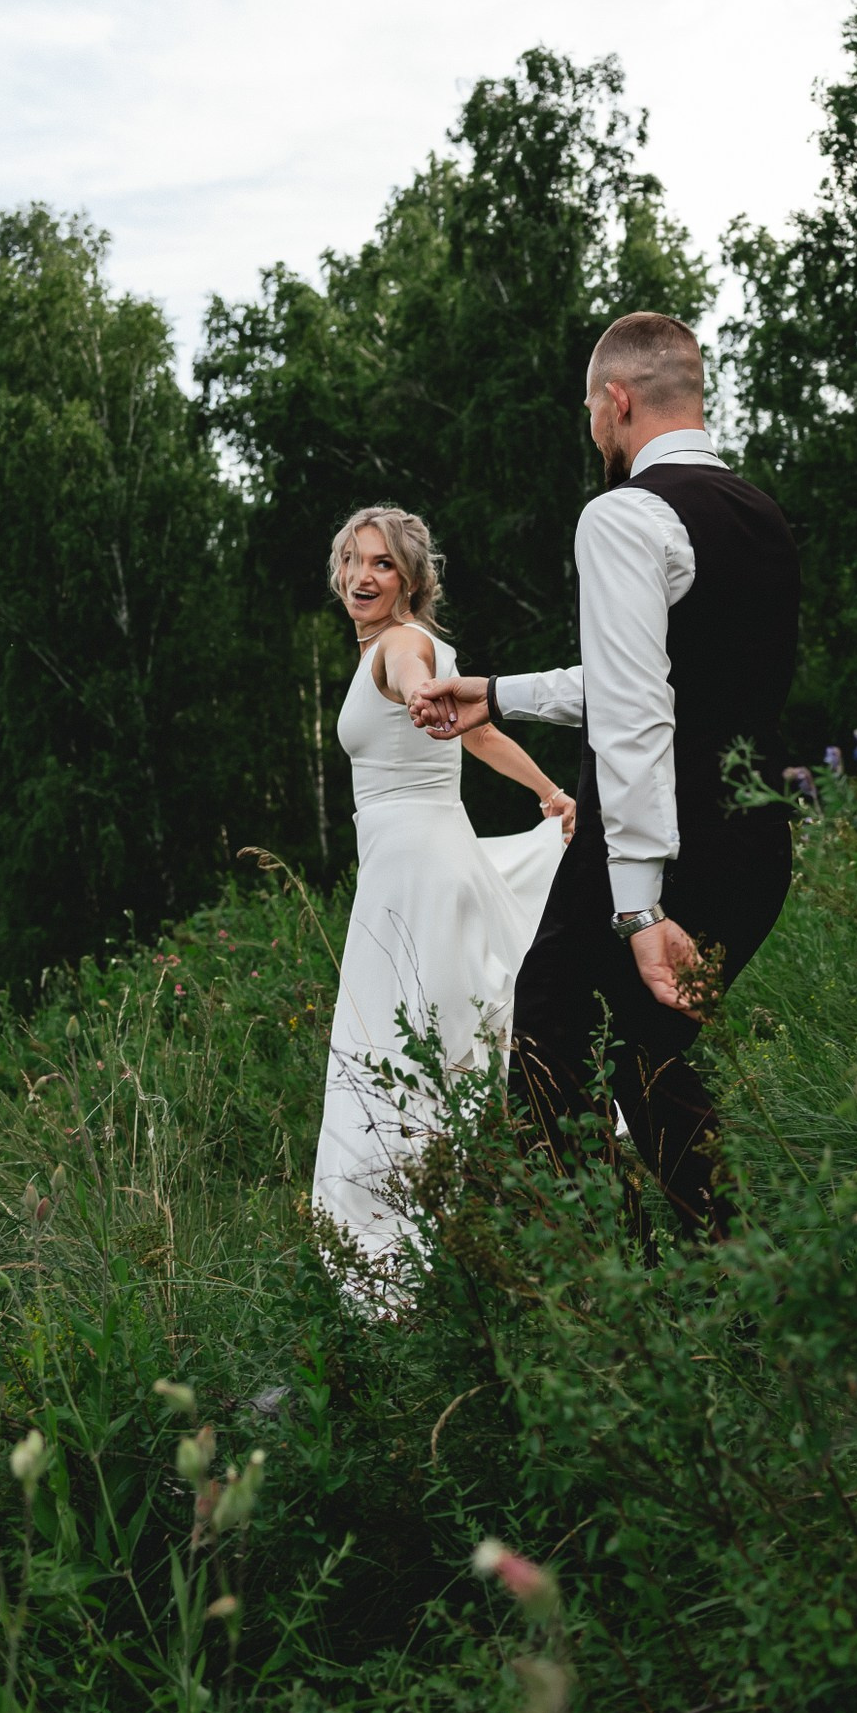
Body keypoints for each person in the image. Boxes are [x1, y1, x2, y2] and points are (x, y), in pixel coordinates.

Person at [410, 313, 800, 1238]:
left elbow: (634, 718)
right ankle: (735, 1274)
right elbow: (657, 679)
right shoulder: (761, 517)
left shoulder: (623, 513)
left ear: (617, 400)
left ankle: (583, 1287)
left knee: (553, 1052)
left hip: (661, 855)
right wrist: (495, 694)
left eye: (590, 409)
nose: (593, 428)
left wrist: (635, 908)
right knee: (641, 1055)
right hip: (755, 847)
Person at [312, 505, 573, 1273]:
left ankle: (405, 1248)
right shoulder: (394, 647)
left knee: (402, 1047)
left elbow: (413, 676)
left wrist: (420, 690)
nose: (363, 576)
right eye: (353, 559)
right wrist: (550, 792)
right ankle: (487, 1219)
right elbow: (480, 731)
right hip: (417, 862)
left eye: (383, 564)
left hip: (417, 871)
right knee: (441, 1042)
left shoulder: (402, 644)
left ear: (410, 579)